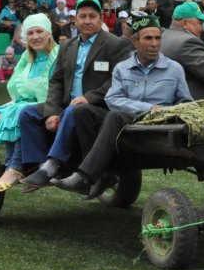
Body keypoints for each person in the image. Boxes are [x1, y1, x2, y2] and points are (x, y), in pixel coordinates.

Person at [53, 14, 193, 198]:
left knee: (114, 116)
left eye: (157, 38)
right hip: (129, 118)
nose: (154, 43)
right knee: (81, 111)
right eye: (148, 38)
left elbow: (186, 101)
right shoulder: (122, 68)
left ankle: (85, 176)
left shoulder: (174, 68)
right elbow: (113, 99)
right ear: (135, 42)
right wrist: (147, 108)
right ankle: (102, 173)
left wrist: (171, 112)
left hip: (156, 123)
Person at [19, 0, 132, 190]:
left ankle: (53, 164)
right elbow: (56, 80)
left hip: (98, 108)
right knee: (27, 113)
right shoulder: (67, 46)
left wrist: (89, 97)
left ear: (101, 19)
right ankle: (38, 166)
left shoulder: (116, 44)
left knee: (74, 110)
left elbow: (118, 80)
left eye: (92, 16)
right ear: (75, 20)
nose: (87, 21)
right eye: (82, 16)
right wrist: (52, 111)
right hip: (68, 104)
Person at [0, 14, 59, 192]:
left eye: (39, 31)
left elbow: (57, 89)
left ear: (48, 33)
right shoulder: (28, 57)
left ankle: (16, 167)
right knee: (12, 109)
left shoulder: (59, 55)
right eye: (30, 33)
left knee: (22, 111)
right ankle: (11, 163)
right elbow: (18, 86)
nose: (35, 37)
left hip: (52, 105)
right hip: (31, 104)